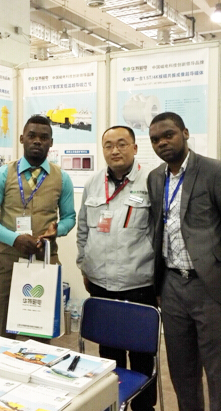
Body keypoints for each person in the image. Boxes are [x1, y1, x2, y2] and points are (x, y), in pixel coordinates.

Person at [147, 112, 221, 411]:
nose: (162, 142)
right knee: (182, 371)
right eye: (155, 139)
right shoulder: (155, 178)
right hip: (172, 286)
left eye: (168, 135)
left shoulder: (216, 172)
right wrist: (158, 285)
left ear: (185, 133)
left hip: (212, 287)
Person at [76, 125, 156, 411]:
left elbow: (160, 234)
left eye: (122, 144)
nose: (115, 150)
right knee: (108, 354)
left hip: (139, 285)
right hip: (101, 283)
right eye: (108, 145)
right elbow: (83, 228)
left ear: (135, 148)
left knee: (142, 355)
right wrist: (84, 265)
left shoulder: (151, 181)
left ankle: (143, 407)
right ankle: (111, 402)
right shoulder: (93, 183)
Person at [0, 115, 76, 338]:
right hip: (8, 263)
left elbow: (70, 218)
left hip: (45, 261)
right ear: (22, 138)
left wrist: (56, 231)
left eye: (44, 137)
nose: (37, 141)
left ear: (51, 142)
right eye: (32, 136)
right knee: (0, 335)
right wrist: (14, 239)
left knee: (39, 339)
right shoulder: (3, 174)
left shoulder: (62, 178)